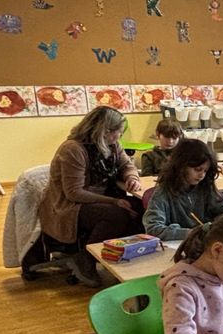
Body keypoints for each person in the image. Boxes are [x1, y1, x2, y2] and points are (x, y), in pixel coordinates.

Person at [39, 105, 144, 286]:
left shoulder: (113, 145)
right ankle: (86, 258)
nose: (119, 137)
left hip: (98, 198)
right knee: (116, 215)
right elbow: (74, 193)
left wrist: (132, 177)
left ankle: (121, 259)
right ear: (104, 132)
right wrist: (114, 201)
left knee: (140, 208)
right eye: (117, 132)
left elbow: (127, 165)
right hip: (69, 206)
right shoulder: (73, 149)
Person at [143, 138, 223, 241]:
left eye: (205, 171)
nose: (202, 175)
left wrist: (216, 225)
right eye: (197, 169)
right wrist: (192, 233)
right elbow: (153, 228)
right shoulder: (163, 192)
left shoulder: (205, 187)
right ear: (181, 166)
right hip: (177, 248)